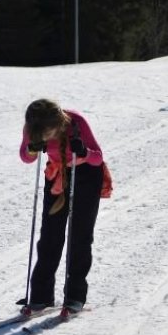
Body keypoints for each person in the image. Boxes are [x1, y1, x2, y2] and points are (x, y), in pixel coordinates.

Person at [19, 99, 112, 314]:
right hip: (57, 175)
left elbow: (98, 158)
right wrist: (33, 149)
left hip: (87, 174)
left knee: (80, 236)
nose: (49, 136)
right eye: (45, 134)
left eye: (51, 132)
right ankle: (41, 297)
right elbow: (25, 157)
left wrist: (85, 152)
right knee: (50, 236)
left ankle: (74, 296)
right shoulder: (33, 127)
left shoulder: (76, 122)